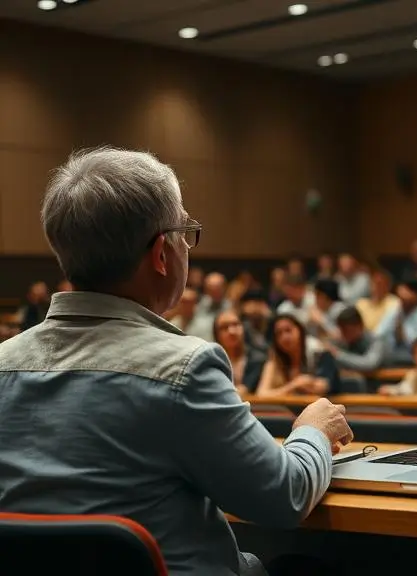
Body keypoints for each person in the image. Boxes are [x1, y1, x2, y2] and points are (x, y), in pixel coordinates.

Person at [0, 147, 353, 576]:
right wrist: (312, 431)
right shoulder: (182, 369)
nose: (188, 244)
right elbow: (282, 497)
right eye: (185, 231)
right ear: (162, 254)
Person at [256, 314, 340, 397]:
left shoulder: (320, 353)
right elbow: (261, 394)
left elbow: (322, 387)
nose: (284, 337)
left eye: (288, 330)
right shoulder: (275, 359)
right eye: (279, 334)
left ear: (300, 330)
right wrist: (294, 385)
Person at [214, 309, 267, 395]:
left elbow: (246, 390)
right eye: (224, 327)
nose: (232, 331)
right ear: (216, 335)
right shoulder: (211, 361)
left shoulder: (258, 358)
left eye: (235, 325)